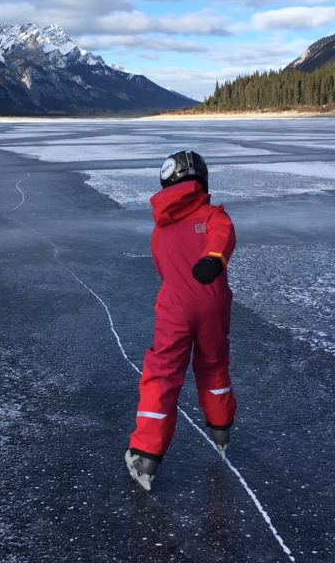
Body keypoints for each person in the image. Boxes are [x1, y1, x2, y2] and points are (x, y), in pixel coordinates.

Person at [125, 149, 237, 491]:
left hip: (175, 308)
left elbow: (214, 243)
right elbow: (223, 234)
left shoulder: (162, 228)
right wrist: (214, 259)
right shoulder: (211, 214)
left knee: (163, 372)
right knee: (213, 365)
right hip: (213, 305)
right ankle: (221, 427)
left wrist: (213, 258)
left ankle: (146, 453)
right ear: (201, 180)